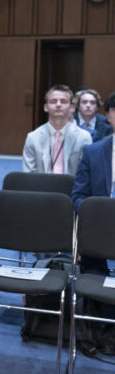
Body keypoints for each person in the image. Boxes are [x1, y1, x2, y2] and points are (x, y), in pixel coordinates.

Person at [71, 91, 115, 349]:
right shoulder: (93, 151)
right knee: (93, 276)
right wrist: (98, 213)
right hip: (99, 230)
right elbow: (78, 196)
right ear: (108, 115)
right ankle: (99, 330)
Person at [23, 85, 91, 175]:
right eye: (53, 101)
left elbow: (85, 175)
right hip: (40, 187)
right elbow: (29, 176)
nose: (58, 105)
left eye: (63, 101)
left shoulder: (84, 137)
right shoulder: (33, 137)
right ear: (46, 107)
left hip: (71, 188)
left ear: (72, 108)